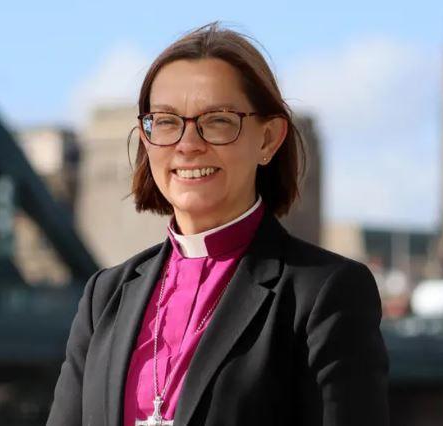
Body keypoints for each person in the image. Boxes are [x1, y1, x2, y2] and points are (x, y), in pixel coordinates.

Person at [47, 22, 389, 426]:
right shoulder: (105, 298)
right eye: (167, 122)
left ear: (268, 139)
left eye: (218, 121)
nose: (188, 144)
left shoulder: (325, 294)